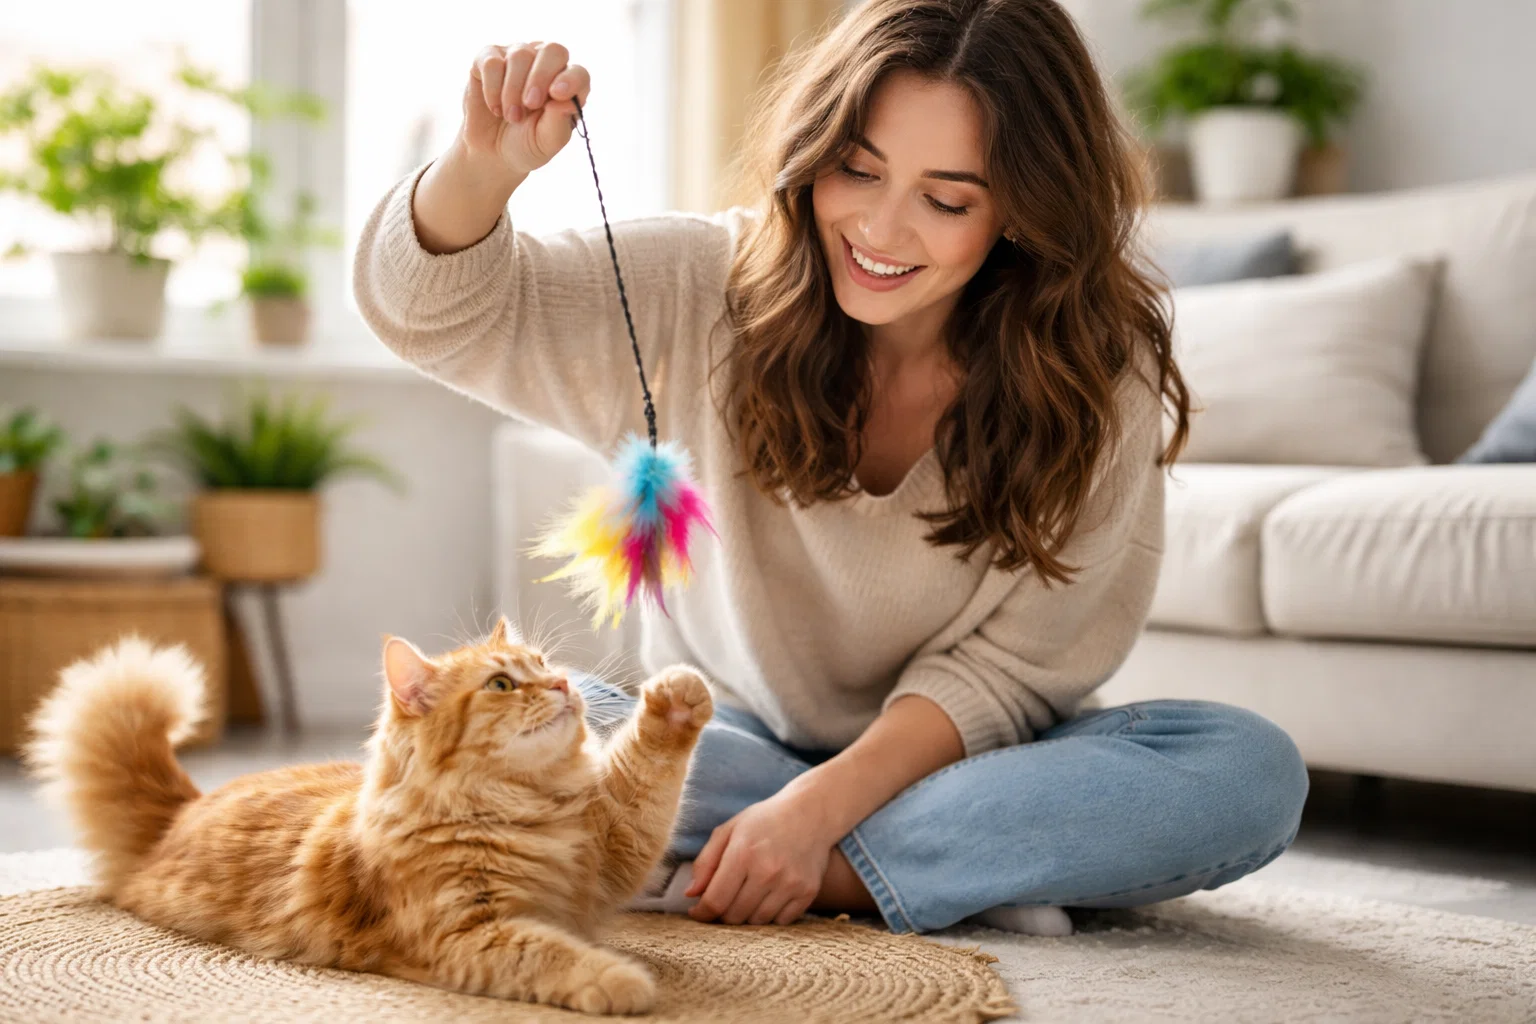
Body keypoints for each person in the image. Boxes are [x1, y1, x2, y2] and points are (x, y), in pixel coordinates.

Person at [353, 0, 1309, 938]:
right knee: (550, 723)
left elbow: (1013, 671)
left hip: (971, 763)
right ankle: (957, 872)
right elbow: (430, 312)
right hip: (727, 745)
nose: (881, 231)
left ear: (1023, 210)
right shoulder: (699, 283)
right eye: (857, 169)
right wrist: (481, 168)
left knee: (1246, 771)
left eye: (946, 200)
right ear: (815, 153)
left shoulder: (1095, 368)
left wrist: (813, 820)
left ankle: (818, 871)